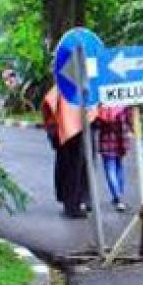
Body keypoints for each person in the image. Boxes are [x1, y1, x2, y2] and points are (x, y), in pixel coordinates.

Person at [42, 86, 96, 219]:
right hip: (71, 133)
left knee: (78, 168)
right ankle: (75, 203)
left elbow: (47, 106)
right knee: (77, 168)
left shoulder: (62, 87)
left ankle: (77, 201)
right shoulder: (64, 86)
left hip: (71, 132)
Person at [97, 105, 132, 212]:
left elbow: (97, 123)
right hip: (120, 140)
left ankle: (117, 197)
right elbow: (129, 120)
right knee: (119, 167)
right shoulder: (122, 105)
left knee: (110, 169)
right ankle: (119, 195)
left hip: (105, 140)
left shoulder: (102, 106)